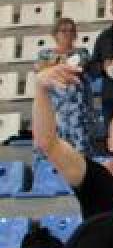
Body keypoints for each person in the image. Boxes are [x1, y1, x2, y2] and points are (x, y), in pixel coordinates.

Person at [33, 18, 95, 168]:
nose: (68, 33)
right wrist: (55, 65)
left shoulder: (82, 52)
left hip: (77, 112)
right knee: (51, 145)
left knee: (79, 150)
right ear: (55, 34)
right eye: (63, 30)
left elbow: (75, 65)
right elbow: (39, 69)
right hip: (53, 110)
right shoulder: (43, 53)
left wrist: (52, 65)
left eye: (71, 30)